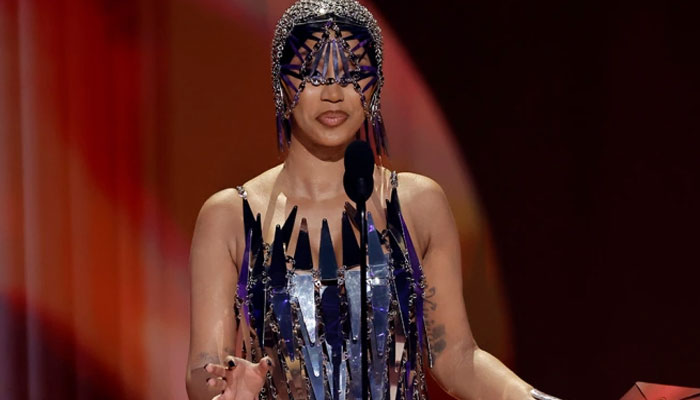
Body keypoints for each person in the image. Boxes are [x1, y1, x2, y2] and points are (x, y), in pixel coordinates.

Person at [186, 1, 561, 400]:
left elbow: (455, 355)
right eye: (313, 74)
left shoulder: (418, 204)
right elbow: (203, 368)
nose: (334, 94)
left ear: (375, 85)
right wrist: (225, 388)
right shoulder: (230, 216)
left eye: (352, 75)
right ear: (282, 84)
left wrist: (532, 398)